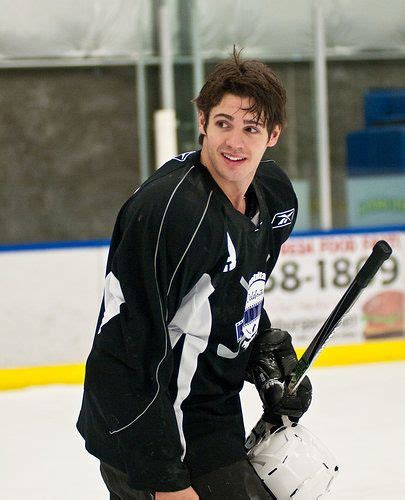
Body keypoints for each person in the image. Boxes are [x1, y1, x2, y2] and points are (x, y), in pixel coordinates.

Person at [77, 49, 312, 499]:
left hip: (210, 419)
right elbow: (122, 358)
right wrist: (167, 485)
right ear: (202, 120)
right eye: (223, 123)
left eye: (251, 128)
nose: (235, 143)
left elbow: (232, 292)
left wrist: (264, 361)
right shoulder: (173, 214)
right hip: (151, 433)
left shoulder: (275, 196)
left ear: (274, 135)